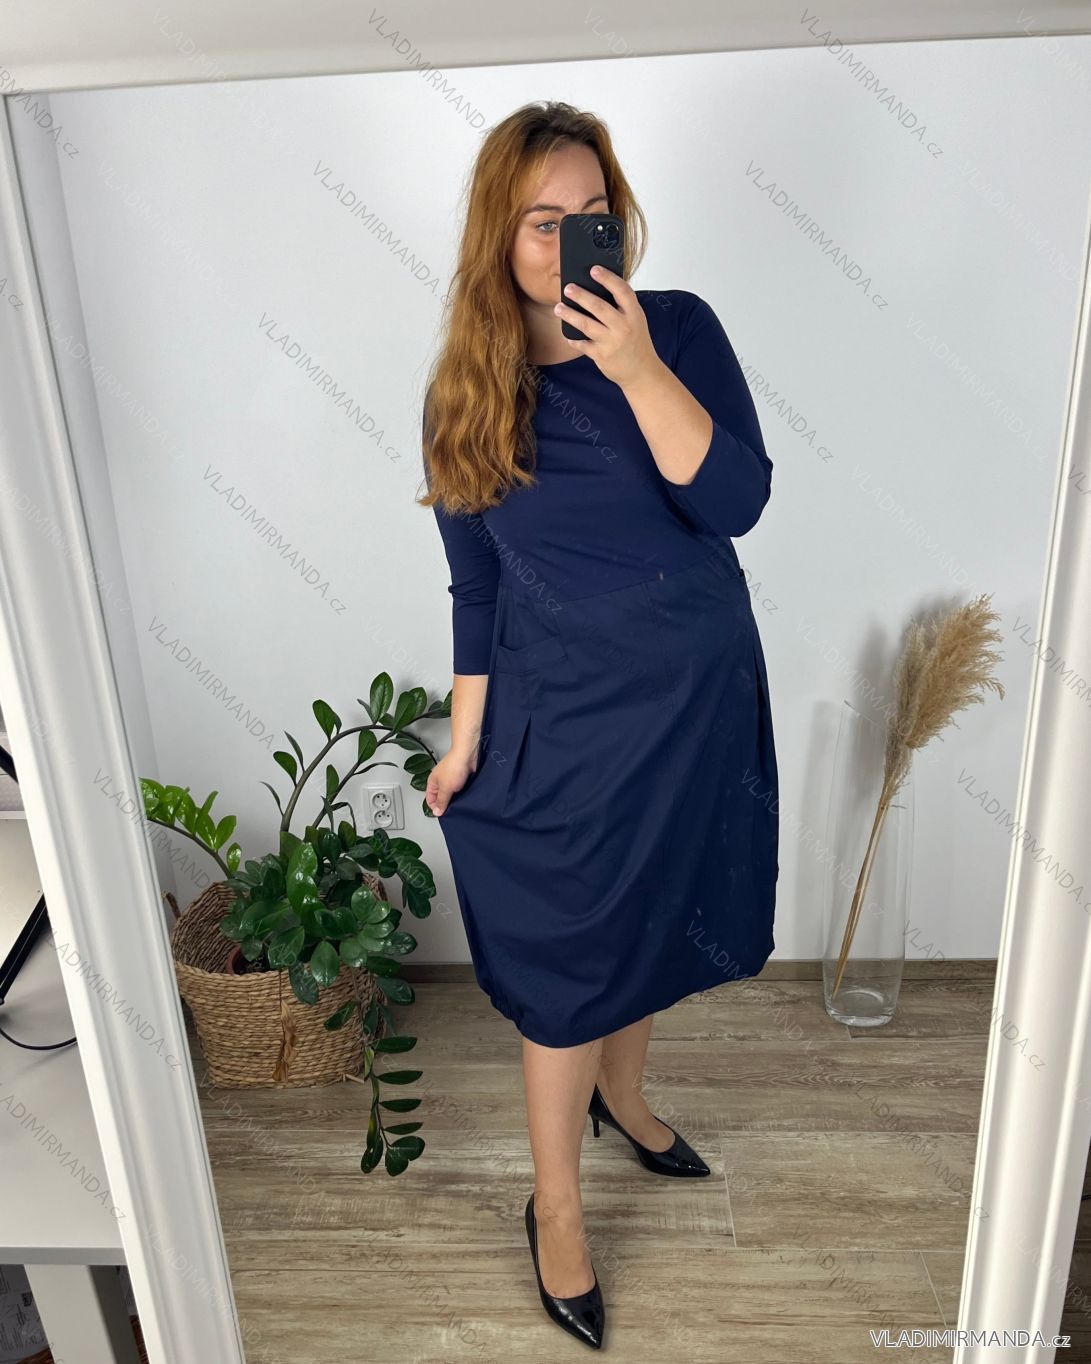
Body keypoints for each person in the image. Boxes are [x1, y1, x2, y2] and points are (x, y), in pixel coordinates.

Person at [419, 100, 778, 1351]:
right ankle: (555, 1205)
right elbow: (474, 585)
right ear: (498, 235)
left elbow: (736, 500)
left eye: (592, 214)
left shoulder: (676, 330)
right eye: (542, 220)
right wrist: (465, 737)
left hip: (692, 696)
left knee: (655, 910)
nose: (572, 238)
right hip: (563, 713)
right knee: (570, 959)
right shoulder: (468, 388)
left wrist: (634, 369)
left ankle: (623, 1098)